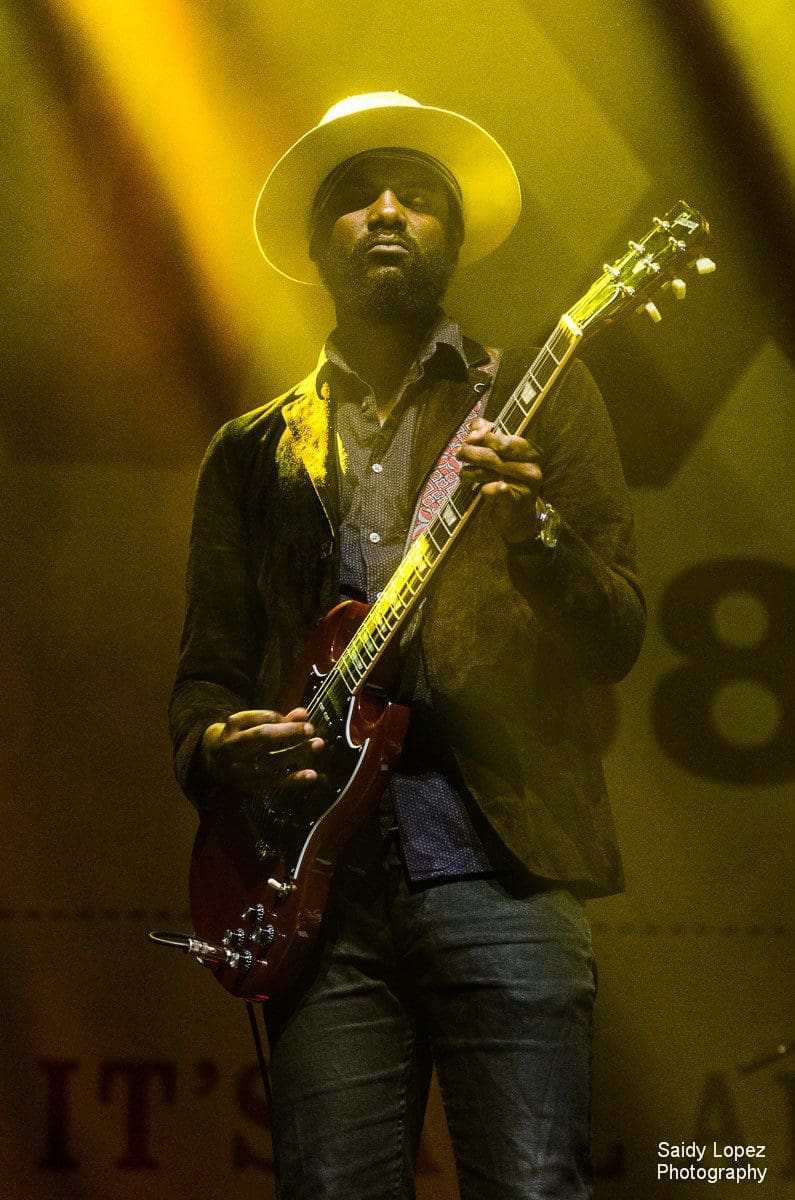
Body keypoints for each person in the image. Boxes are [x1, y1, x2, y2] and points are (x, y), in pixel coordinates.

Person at [169, 92, 646, 1200]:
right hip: (314, 890)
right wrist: (223, 747)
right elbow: (204, 676)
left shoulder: (537, 397)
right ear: (315, 244)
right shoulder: (251, 450)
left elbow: (617, 633)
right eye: (357, 198)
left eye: (419, 197)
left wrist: (533, 530)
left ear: (454, 237)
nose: (388, 213)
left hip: (501, 870)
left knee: (532, 1186)